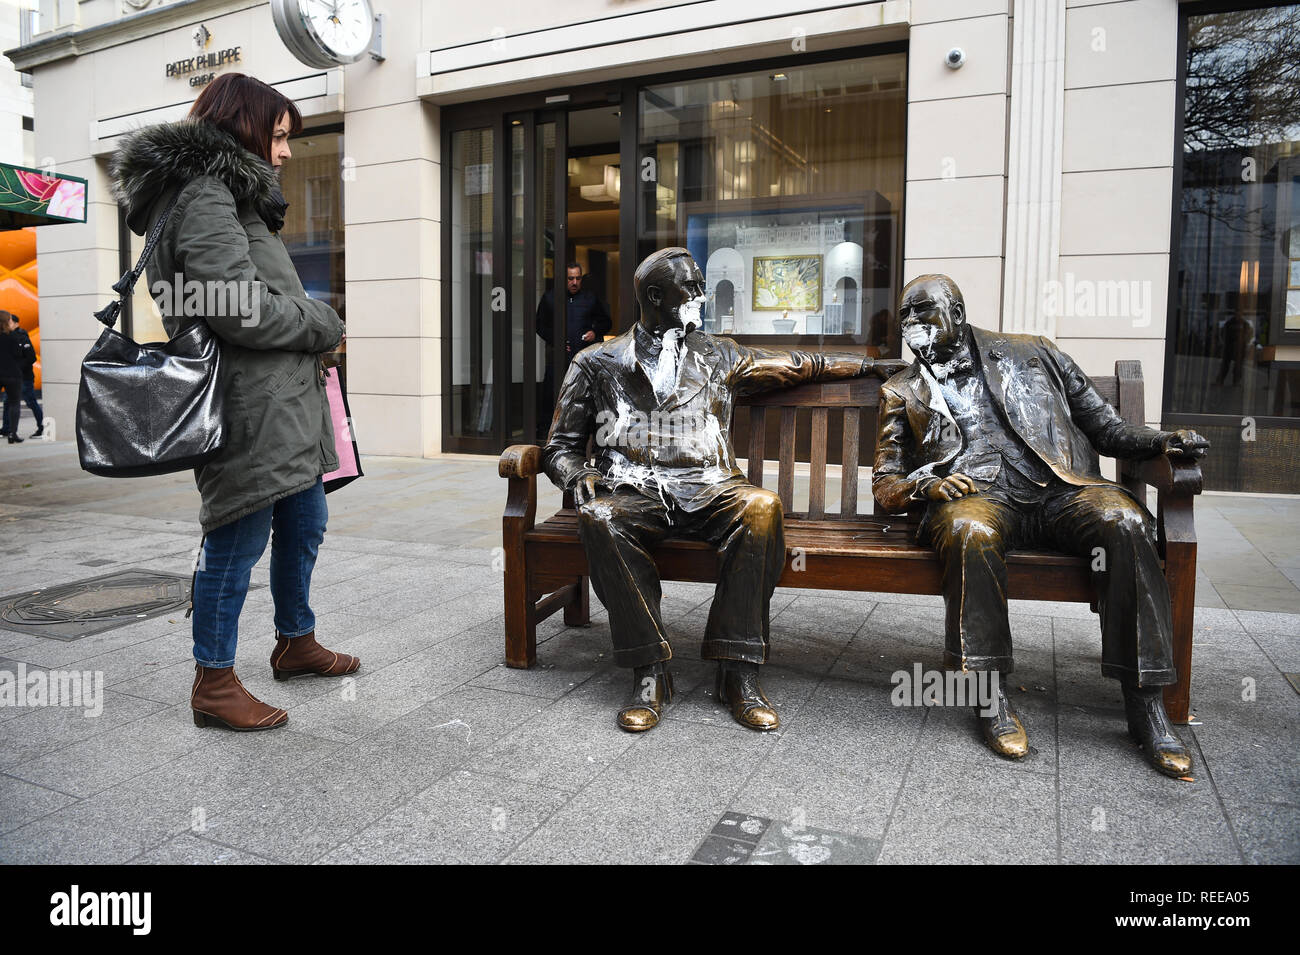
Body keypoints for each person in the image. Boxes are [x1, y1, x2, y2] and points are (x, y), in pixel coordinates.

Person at [543, 247, 904, 733]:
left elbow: (798, 364)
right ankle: (650, 672)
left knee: (761, 508)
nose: (701, 294)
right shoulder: (598, 362)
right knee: (600, 518)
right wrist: (574, 474)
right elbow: (559, 446)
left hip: (711, 487)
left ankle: (737, 671)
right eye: (691, 287)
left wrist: (864, 365)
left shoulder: (719, 353)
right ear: (654, 295)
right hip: (635, 493)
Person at [872, 274, 1209, 777]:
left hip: (1061, 490)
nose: (913, 324)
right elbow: (885, 485)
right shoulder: (901, 389)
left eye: (924, 312)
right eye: (906, 316)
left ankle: (1146, 704)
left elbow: (1107, 430)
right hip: (975, 498)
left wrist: (1162, 442)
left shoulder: (1034, 353)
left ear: (958, 316)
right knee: (971, 533)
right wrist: (924, 485)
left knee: (1124, 519)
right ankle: (989, 697)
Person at [109, 72, 359, 732]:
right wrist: (322, 322)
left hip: (281, 402)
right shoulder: (203, 194)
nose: (283, 152)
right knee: (237, 535)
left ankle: (294, 640)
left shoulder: (231, 196)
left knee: (305, 518)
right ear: (243, 127)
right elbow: (236, 307)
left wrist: (307, 325)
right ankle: (213, 679)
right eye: (277, 137)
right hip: (245, 404)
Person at [536, 262, 611, 423]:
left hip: (582, 358)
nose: (574, 282)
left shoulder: (590, 299)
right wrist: (557, 340)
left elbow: (606, 322)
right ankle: (545, 431)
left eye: (577, 278)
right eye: (571, 278)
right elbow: (540, 325)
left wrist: (595, 332)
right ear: (564, 279)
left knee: (583, 396)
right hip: (557, 358)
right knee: (551, 394)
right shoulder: (550, 298)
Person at [9, 315, 44, 437]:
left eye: (9, 322)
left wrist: (17, 368)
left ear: (16, 323)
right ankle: (7, 429)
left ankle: (42, 426)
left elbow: (31, 357)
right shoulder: (9, 336)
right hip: (13, 377)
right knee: (8, 402)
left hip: (25, 377)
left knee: (30, 402)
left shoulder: (22, 336)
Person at [0, 311, 23, 444]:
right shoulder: (14, 337)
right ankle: (12, 434)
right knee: (14, 403)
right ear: (8, 321)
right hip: (13, 374)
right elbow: (19, 354)